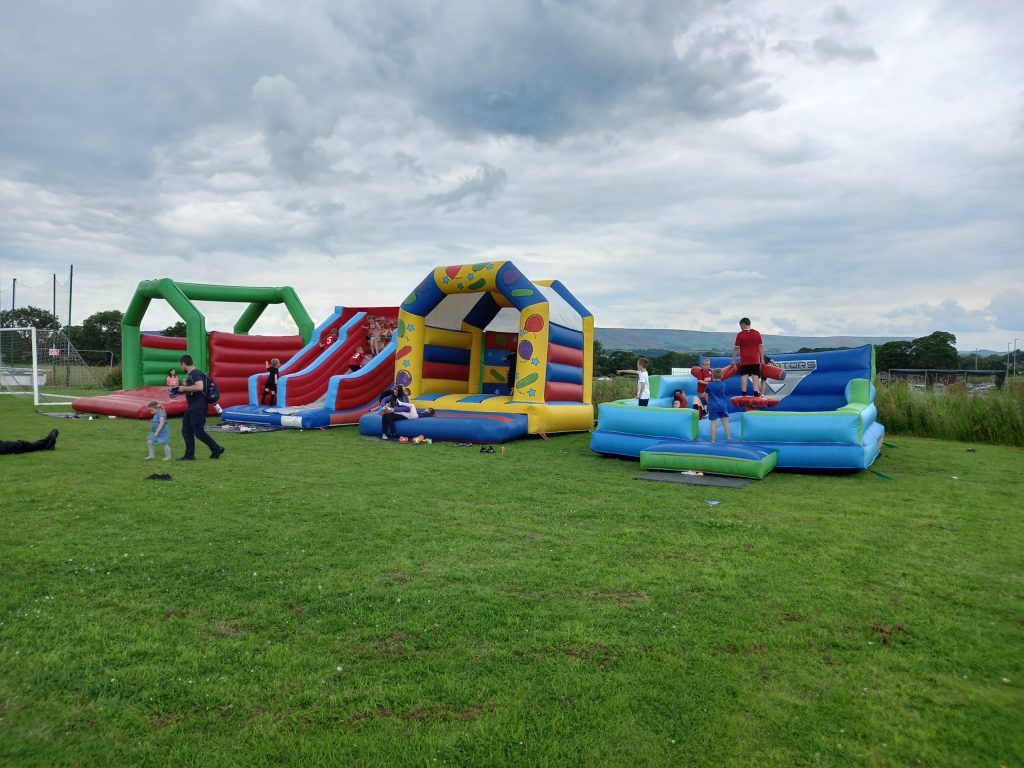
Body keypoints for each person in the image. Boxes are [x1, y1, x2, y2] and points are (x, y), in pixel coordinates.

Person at [176, 354, 224, 461]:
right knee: (186, 430)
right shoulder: (194, 374)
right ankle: (189, 455)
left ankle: (216, 448)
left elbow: (199, 387)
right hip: (192, 406)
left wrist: (184, 388)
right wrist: (185, 386)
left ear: (184, 363)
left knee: (198, 431)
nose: (180, 367)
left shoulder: (195, 373)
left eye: (180, 365)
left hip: (198, 406)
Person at [731, 317, 764, 397]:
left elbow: (736, 348)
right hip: (755, 358)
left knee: (744, 375)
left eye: (741, 326)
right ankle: (756, 391)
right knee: (755, 375)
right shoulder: (757, 333)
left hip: (745, 359)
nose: (741, 328)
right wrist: (762, 359)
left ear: (743, 324)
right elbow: (760, 347)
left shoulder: (740, 334)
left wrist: (734, 359)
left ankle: (744, 392)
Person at [705, 367, 732, 443]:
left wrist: (707, 402)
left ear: (712, 376)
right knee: (725, 422)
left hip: (713, 406)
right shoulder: (723, 385)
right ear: (722, 376)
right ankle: (729, 437)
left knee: (713, 423)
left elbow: (706, 394)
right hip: (722, 406)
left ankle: (713, 440)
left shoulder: (709, 385)